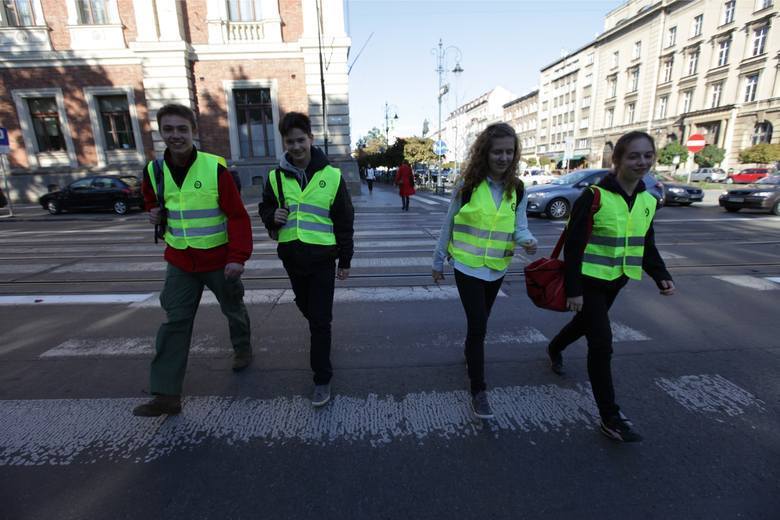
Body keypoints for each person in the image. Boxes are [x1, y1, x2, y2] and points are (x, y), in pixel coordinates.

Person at [547, 130, 675, 443]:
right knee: (602, 343)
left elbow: (645, 241)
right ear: (617, 160)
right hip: (589, 281)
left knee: (585, 325)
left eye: (647, 155)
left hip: (616, 280)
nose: (642, 162)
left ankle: (554, 347)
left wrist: (660, 274)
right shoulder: (595, 196)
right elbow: (574, 246)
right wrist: (574, 289)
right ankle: (610, 417)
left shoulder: (647, 200)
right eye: (633, 156)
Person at [133, 103, 253, 417]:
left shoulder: (215, 168)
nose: (176, 135)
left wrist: (238, 257)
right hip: (180, 262)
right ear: (161, 132)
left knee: (233, 309)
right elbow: (150, 199)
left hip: (218, 258)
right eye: (169, 129)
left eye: (182, 129)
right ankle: (166, 396)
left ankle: (242, 347)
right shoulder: (154, 170)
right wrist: (152, 212)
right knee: (174, 324)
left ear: (193, 132)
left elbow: (238, 217)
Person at [432, 123, 537, 419]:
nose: (503, 157)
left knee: (480, 324)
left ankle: (470, 353)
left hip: (497, 268)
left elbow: (519, 226)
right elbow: (448, 224)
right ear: (485, 152)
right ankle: (479, 390)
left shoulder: (517, 188)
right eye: (497, 151)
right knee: (479, 326)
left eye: (508, 151)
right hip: (466, 267)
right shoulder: (467, 184)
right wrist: (437, 261)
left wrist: (527, 240)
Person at [259, 112, 354, 407]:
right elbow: (266, 208)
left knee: (320, 321)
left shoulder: (332, 176)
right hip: (292, 258)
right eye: (290, 141)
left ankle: (322, 378)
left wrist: (345, 260)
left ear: (311, 139)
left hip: (323, 259)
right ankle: (320, 337)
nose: (296, 146)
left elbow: (344, 220)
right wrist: (270, 217)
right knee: (308, 310)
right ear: (284, 143)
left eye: (301, 140)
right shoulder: (275, 177)